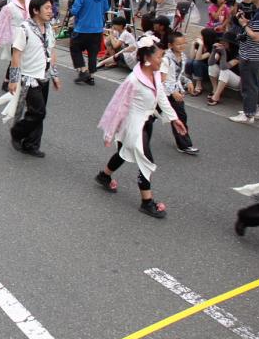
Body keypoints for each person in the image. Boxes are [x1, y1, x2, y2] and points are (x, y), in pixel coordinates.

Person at [96, 35, 187, 218]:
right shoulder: (133, 81)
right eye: (159, 57)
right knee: (147, 161)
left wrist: (174, 119)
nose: (162, 60)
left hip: (147, 121)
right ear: (147, 58)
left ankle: (104, 176)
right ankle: (147, 201)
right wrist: (109, 132)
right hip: (133, 126)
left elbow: (160, 96)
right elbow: (117, 107)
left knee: (123, 153)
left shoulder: (153, 74)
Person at [5, 0, 61, 158]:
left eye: (51, 8)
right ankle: (17, 132)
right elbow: (16, 54)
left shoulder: (49, 28)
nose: (51, 11)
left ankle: (31, 144)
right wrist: (14, 79)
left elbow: (52, 52)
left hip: (44, 76)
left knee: (38, 113)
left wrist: (55, 75)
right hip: (29, 78)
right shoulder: (24, 29)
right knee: (38, 112)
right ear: (36, 10)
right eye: (47, 8)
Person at [229, 0, 259, 123]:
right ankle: (254, 109)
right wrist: (247, 21)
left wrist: (243, 25)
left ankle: (248, 113)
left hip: (251, 54)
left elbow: (257, 36)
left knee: (249, 85)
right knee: (254, 83)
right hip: (258, 54)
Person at [69, 0, 109, 85]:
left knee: (75, 48)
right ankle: (91, 77)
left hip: (82, 27)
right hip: (97, 28)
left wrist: (71, 8)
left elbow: (75, 11)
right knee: (93, 53)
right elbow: (106, 8)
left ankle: (83, 70)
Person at [162, 32, 199, 154]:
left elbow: (178, 75)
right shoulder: (165, 59)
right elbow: (162, 79)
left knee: (180, 117)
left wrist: (188, 81)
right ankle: (135, 135)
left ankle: (184, 145)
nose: (182, 46)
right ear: (170, 45)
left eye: (183, 43)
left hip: (175, 91)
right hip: (162, 93)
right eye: (178, 44)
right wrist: (173, 92)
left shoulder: (183, 56)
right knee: (148, 117)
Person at [0, 0, 31, 91]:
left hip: (28, 35)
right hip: (14, 36)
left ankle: (10, 81)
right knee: (16, 59)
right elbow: (1, 23)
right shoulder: (9, 7)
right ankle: (9, 81)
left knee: (22, 59)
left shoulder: (30, 3)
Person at [207, 31, 240, 106]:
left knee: (225, 71)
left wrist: (223, 53)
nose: (221, 43)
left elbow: (224, 67)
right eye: (221, 41)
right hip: (223, 79)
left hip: (237, 80)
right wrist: (213, 51)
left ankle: (216, 96)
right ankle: (215, 90)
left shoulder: (238, 53)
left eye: (224, 41)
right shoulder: (221, 50)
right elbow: (210, 63)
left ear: (230, 43)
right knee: (212, 66)